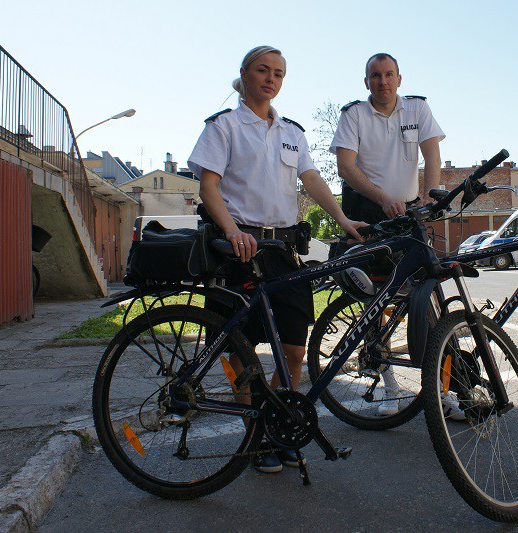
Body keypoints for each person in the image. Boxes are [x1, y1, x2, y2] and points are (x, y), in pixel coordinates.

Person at [188, 45, 364, 473]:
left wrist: (342, 219)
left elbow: (313, 180)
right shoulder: (223, 127)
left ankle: (275, 426)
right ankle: (254, 435)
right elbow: (208, 187)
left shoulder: (292, 132)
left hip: (282, 251)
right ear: (244, 73)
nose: (271, 79)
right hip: (238, 250)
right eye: (263, 71)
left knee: (293, 349)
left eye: (279, 73)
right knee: (239, 351)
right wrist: (231, 231)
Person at [329, 52, 464, 420]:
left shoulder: (417, 109)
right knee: (375, 300)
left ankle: (443, 392)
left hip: (407, 211)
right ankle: (388, 383)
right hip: (368, 212)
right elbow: (346, 166)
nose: (383, 81)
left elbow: (432, 154)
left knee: (430, 295)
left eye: (389, 75)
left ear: (399, 79)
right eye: (375, 76)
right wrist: (382, 197)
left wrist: (430, 196)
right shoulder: (353, 115)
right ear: (366, 82)